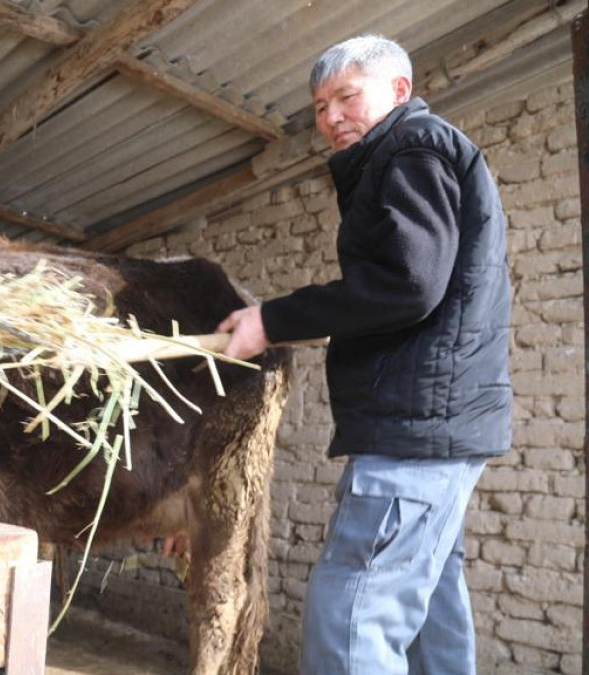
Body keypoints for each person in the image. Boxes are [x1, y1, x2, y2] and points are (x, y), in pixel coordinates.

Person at [215, 35, 512, 674]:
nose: (331, 118)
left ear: (399, 91)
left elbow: (407, 283)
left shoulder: (412, 146)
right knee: (432, 608)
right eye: (320, 106)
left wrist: (273, 319)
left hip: (416, 427)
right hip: (442, 424)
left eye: (348, 97)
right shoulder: (416, 153)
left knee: (351, 611)